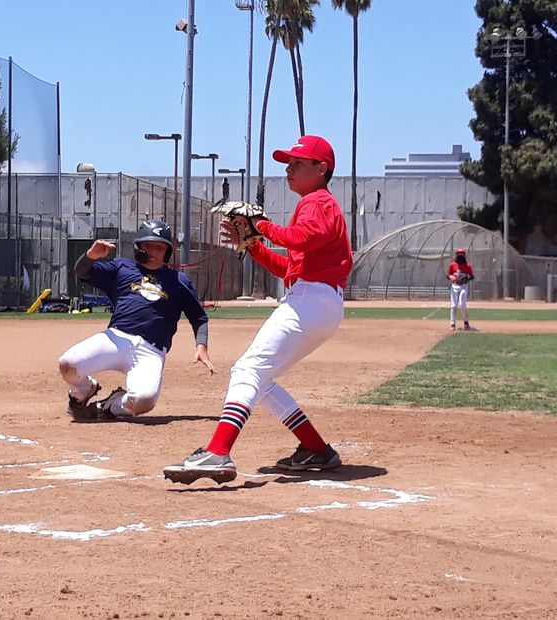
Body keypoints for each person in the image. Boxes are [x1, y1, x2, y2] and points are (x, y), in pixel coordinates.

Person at [164, 135, 352, 484]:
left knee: (247, 370)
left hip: (311, 302)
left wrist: (261, 226)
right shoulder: (315, 204)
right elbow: (289, 268)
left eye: (298, 163)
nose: (288, 168)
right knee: (259, 378)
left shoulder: (318, 201)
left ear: (321, 168)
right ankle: (316, 449)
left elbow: (300, 237)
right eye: (288, 162)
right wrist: (251, 244)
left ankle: (218, 452)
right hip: (315, 300)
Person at [58, 219, 215, 422]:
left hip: (151, 351)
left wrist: (201, 346)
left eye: (159, 247)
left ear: (167, 252)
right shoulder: (121, 268)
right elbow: (82, 271)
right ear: (138, 247)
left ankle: (109, 407)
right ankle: (84, 389)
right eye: (148, 246)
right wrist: (90, 256)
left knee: (144, 399)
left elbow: (199, 317)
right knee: (67, 363)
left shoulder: (179, 281)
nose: (153, 251)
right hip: (117, 338)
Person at [447, 247, 474, 332]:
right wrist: (451, 277)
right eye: (459, 253)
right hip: (455, 286)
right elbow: (448, 275)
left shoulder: (467, 265)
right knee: (454, 305)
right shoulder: (452, 264)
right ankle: (452, 324)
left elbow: (472, 276)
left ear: (464, 255)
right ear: (456, 255)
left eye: (462, 254)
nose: (460, 255)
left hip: (463, 286)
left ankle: (466, 322)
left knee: (462, 304)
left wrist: (467, 279)